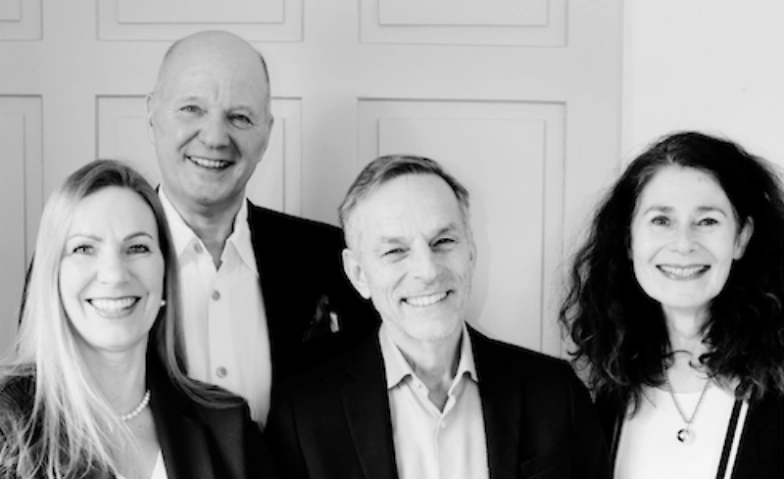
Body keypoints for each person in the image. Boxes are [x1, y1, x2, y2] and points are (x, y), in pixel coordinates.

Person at [265, 155, 609, 479]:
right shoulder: (303, 416)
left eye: (443, 241)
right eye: (395, 250)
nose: (428, 271)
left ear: (470, 251)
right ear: (358, 274)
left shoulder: (555, 393)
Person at [145, 30, 376, 425]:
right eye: (191, 109)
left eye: (239, 117)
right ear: (152, 113)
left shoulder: (329, 256)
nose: (215, 137)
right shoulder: (85, 263)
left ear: (266, 134)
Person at [0, 160, 274, 478]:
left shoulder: (228, 426)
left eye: (138, 247)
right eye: (84, 248)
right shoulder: (7, 425)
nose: (115, 274)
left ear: (165, 273)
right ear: (52, 275)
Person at [559, 131, 784, 478]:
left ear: (741, 237)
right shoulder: (605, 387)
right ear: (629, 239)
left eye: (707, 221)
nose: (683, 244)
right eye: (661, 221)